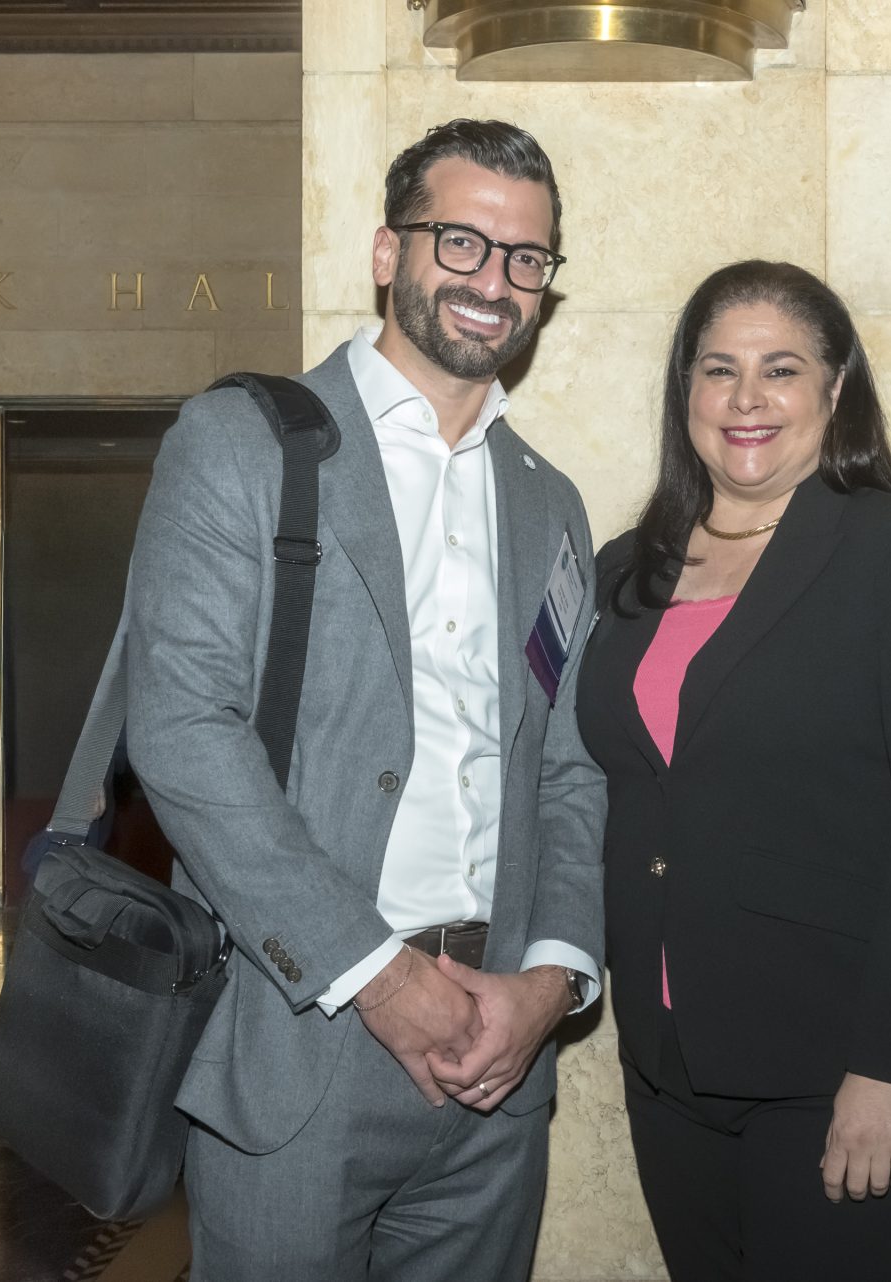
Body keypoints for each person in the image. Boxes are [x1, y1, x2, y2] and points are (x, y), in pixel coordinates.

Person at [124, 119, 605, 1281]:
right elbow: (182, 730)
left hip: (498, 1064)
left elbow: (569, 769)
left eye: (525, 257)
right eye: (461, 241)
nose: (493, 280)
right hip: (301, 1037)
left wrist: (550, 980)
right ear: (389, 252)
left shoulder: (548, 503)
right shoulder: (244, 444)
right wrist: (379, 978)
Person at [576, 260, 891, 1281]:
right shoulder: (625, 568)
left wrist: (889, 1067)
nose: (747, 399)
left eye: (781, 369)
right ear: (686, 390)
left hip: (838, 1062)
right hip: (668, 1057)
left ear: (835, 388)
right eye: (719, 369)